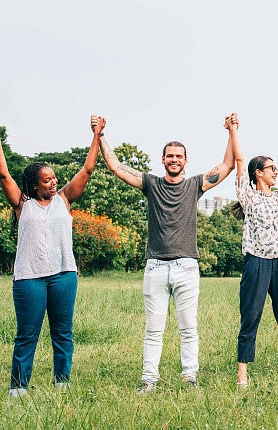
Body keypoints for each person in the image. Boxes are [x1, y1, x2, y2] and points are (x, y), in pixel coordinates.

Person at [99, 116, 235, 392]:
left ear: (185, 161)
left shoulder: (195, 185)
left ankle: (190, 377)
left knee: (189, 328)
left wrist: (232, 131)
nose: (174, 160)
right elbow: (115, 166)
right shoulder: (151, 184)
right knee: (153, 331)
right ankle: (149, 380)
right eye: (170, 156)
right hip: (156, 267)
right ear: (163, 160)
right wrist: (100, 135)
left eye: (179, 156)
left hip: (187, 266)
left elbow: (228, 165)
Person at [0, 114, 102, 397]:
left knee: (63, 334)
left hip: (63, 276)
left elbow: (88, 169)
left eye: (54, 177)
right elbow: (4, 174)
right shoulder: (22, 204)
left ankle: (62, 383)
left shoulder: (64, 199)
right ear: (34, 185)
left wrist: (97, 134)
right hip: (29, 279)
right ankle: (18, 388)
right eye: (46, 180)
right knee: (26, 335)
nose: (53, 182)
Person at [229, 112, 278, 384]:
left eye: (276, 168)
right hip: (256, 263)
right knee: (250, 318)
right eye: (270, 168)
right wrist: (233, 129)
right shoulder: (248, 196)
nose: (276, 171)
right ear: (258, 173)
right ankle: (242, 374)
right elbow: (239, 160)